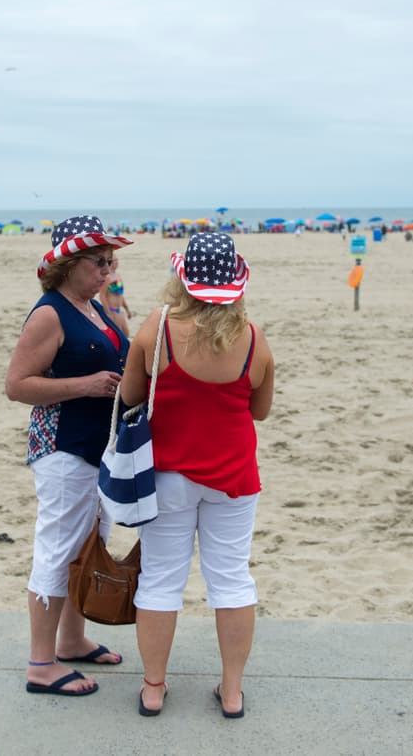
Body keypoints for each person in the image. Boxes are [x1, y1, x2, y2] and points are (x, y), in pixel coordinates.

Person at [119, 232, 275, 719]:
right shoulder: (253, 339)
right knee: (230, 580)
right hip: (232, 476)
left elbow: (128, 397)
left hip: (167, 474)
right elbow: (261, 411)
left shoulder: (156, 328)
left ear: (182, 279)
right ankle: (231, 693)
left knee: (161, 581)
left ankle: (152, 688)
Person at [4, 215, 134, 697]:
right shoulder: (50, 313)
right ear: (69, 265)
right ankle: (41, 663)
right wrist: (86, 386)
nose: (108, 269)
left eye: (111, 261)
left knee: (87, 546)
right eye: (99, 262)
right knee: (58, 549)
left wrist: (115, 302)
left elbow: (124, 344)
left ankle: (72, 641)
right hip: (61, 447)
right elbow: (17, 385)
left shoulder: (94, 307)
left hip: (97, 448)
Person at [97, 252, 132, 335]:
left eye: (117, 261)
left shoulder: (118, 276)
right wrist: (108, 312)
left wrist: (127, 309)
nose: (116, 263)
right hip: (112, 310)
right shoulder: (107, 278)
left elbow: (121, 295)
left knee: (126, 334)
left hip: (119, 310)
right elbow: (102, 295)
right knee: (117, 334)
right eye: (114, 261)